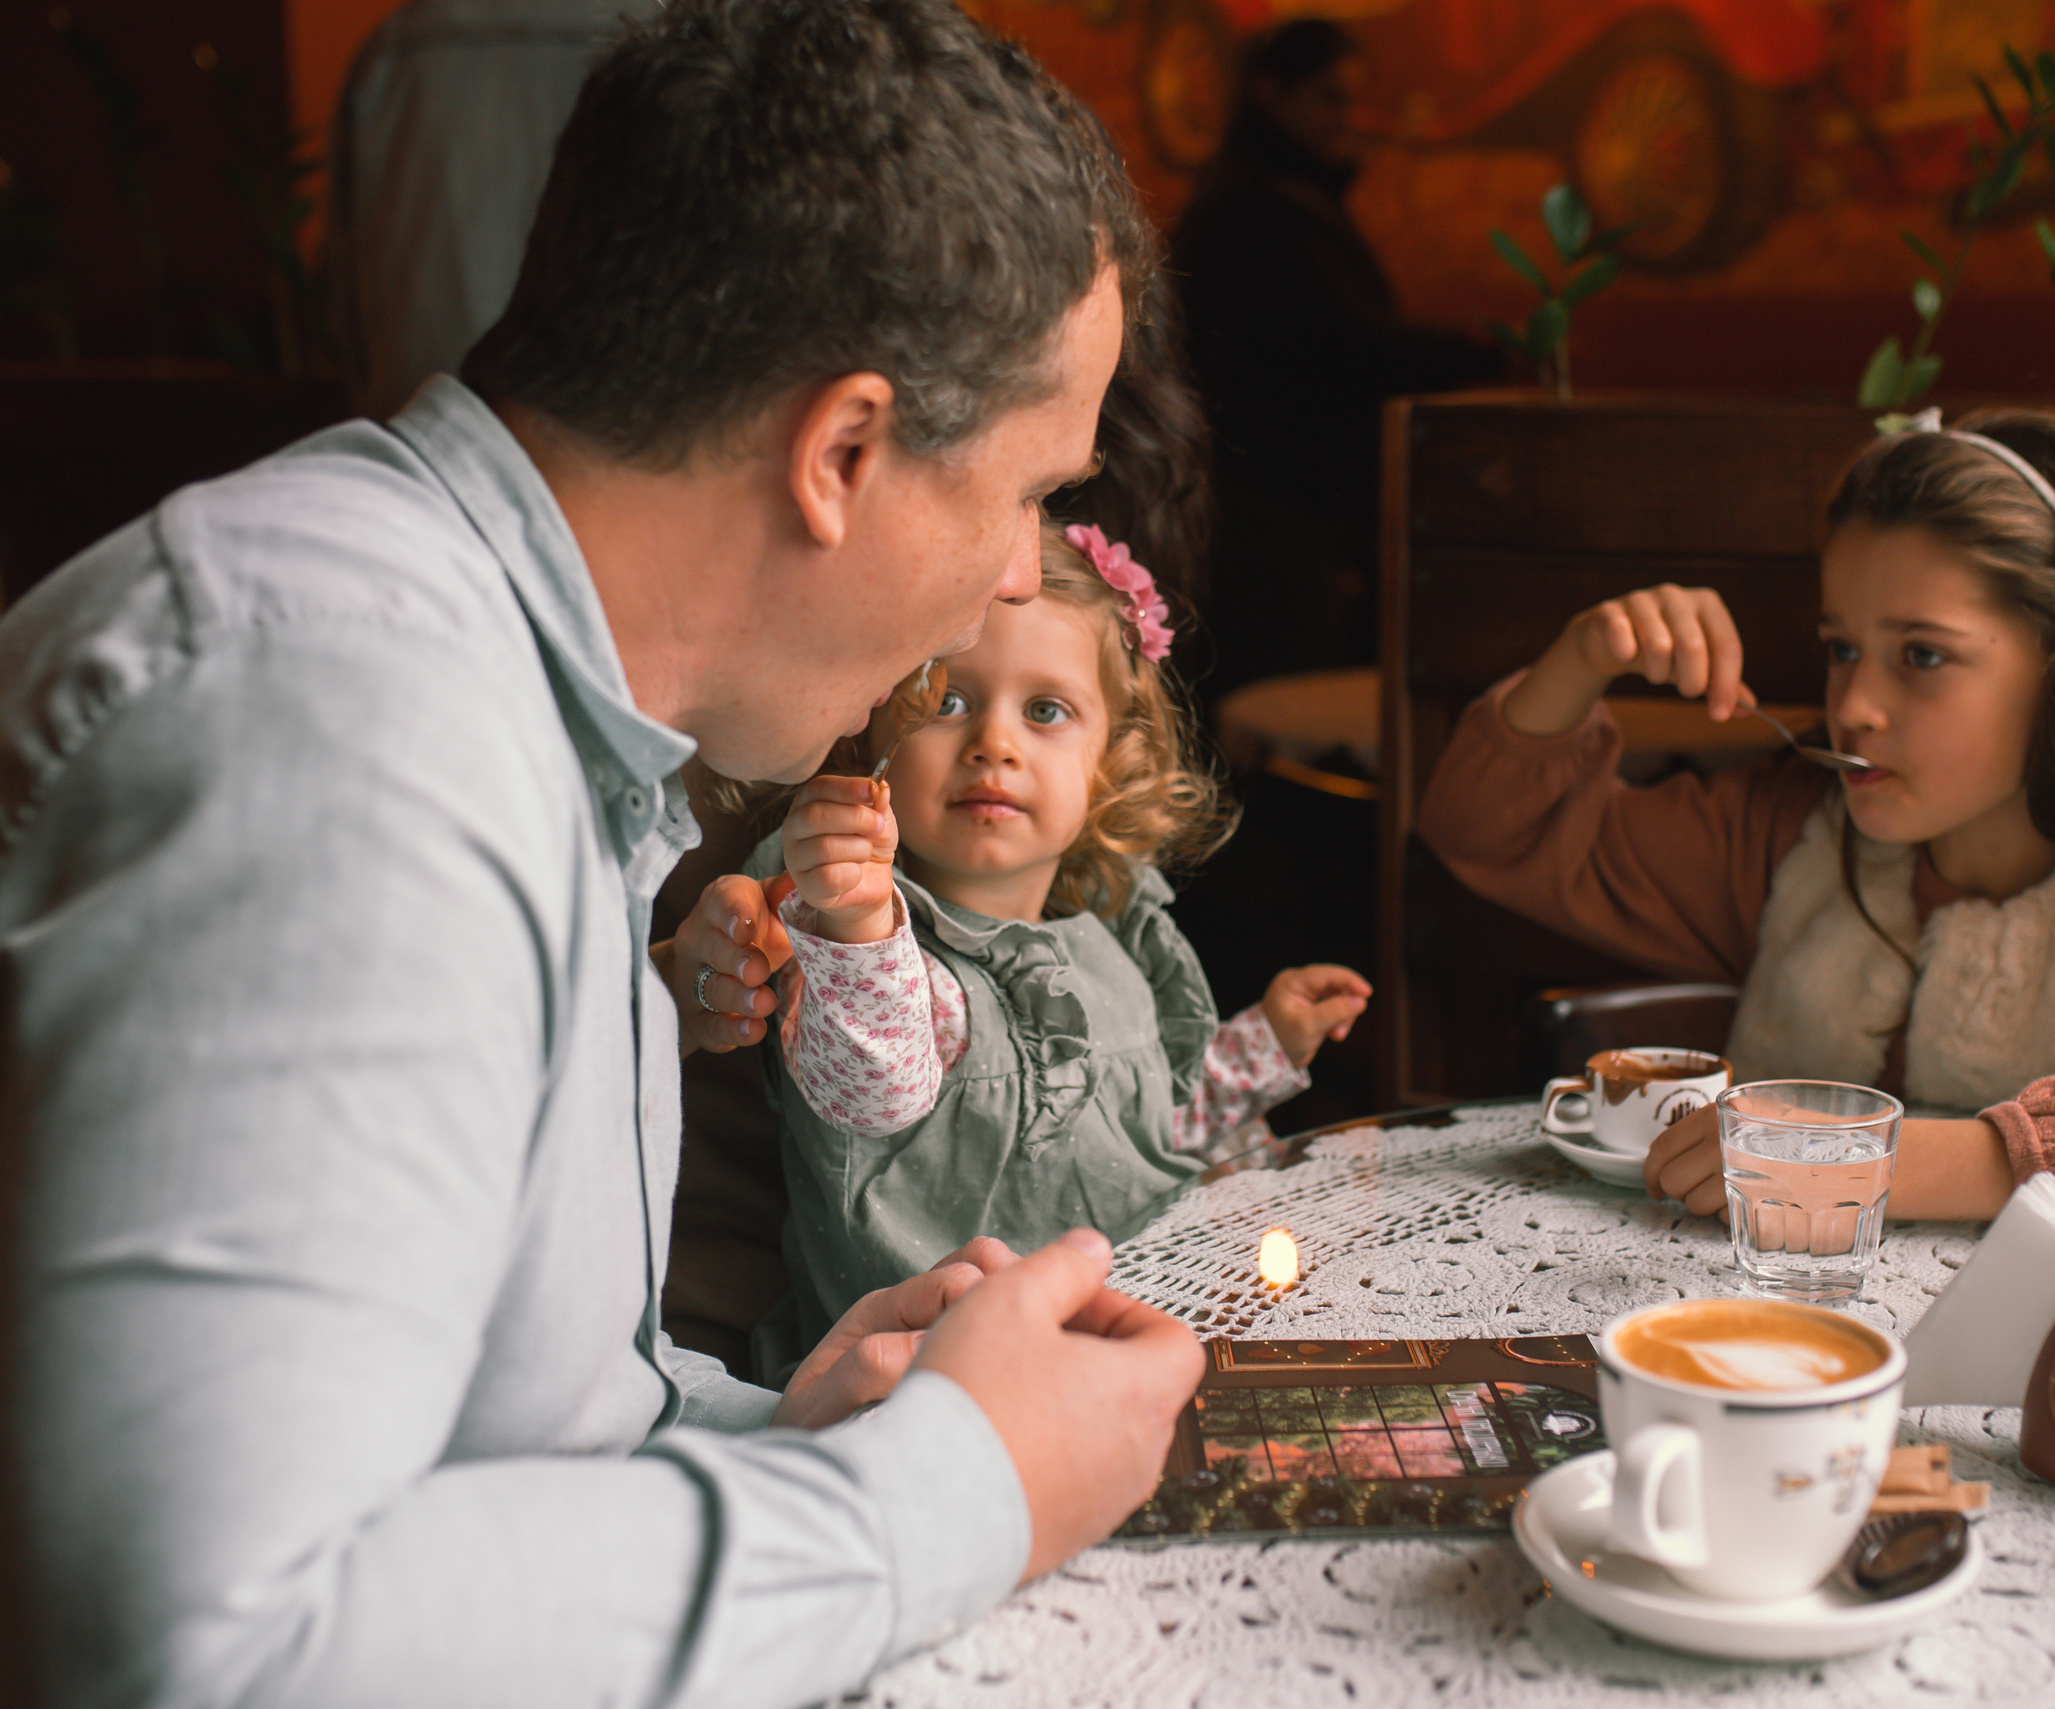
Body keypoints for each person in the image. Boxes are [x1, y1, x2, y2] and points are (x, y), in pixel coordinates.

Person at [3, 4, 1206, 1705]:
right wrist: (940, 1490)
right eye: (1026, 494)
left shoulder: (528, 706)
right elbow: (209, 1643)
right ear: (843, 452)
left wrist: (787, 1427)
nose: (1024, 575)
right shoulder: (334, 718)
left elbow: (481, 1446)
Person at [1416, 409, 2055, 1246]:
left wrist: (1874, 1159)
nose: (1855, 703)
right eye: (1842, 649)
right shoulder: (1789, 842)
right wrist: (1584, 659)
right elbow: (1488, 832)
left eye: (1924, 655)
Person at [685, 521, 1369, 1378]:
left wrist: (1266, 1043)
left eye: (1046, 711)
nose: (993, 744)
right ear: (870, 742)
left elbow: (1151, 1135)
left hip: (1120, 1355)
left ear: (1108, 761)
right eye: (947, 702)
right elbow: (877, 1086)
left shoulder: (1113, 943)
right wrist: (857, 915)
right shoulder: (864, 946)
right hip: (920, 1389)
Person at [1170, 19, 1495, 693]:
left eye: (1353, 100)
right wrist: (1476, 349)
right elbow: (1338, 342)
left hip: (1278, 511)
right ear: (1272, 93)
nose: (1347, 119)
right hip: (1269, 518)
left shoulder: (1272, 197)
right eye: (1329, 98)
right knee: (1285, 712)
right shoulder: (1255, 210)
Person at [327, 0, 642, 418]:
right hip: (638, 447)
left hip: (425, 441)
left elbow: (344, 314)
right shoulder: (708, 40)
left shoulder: (399, 49)